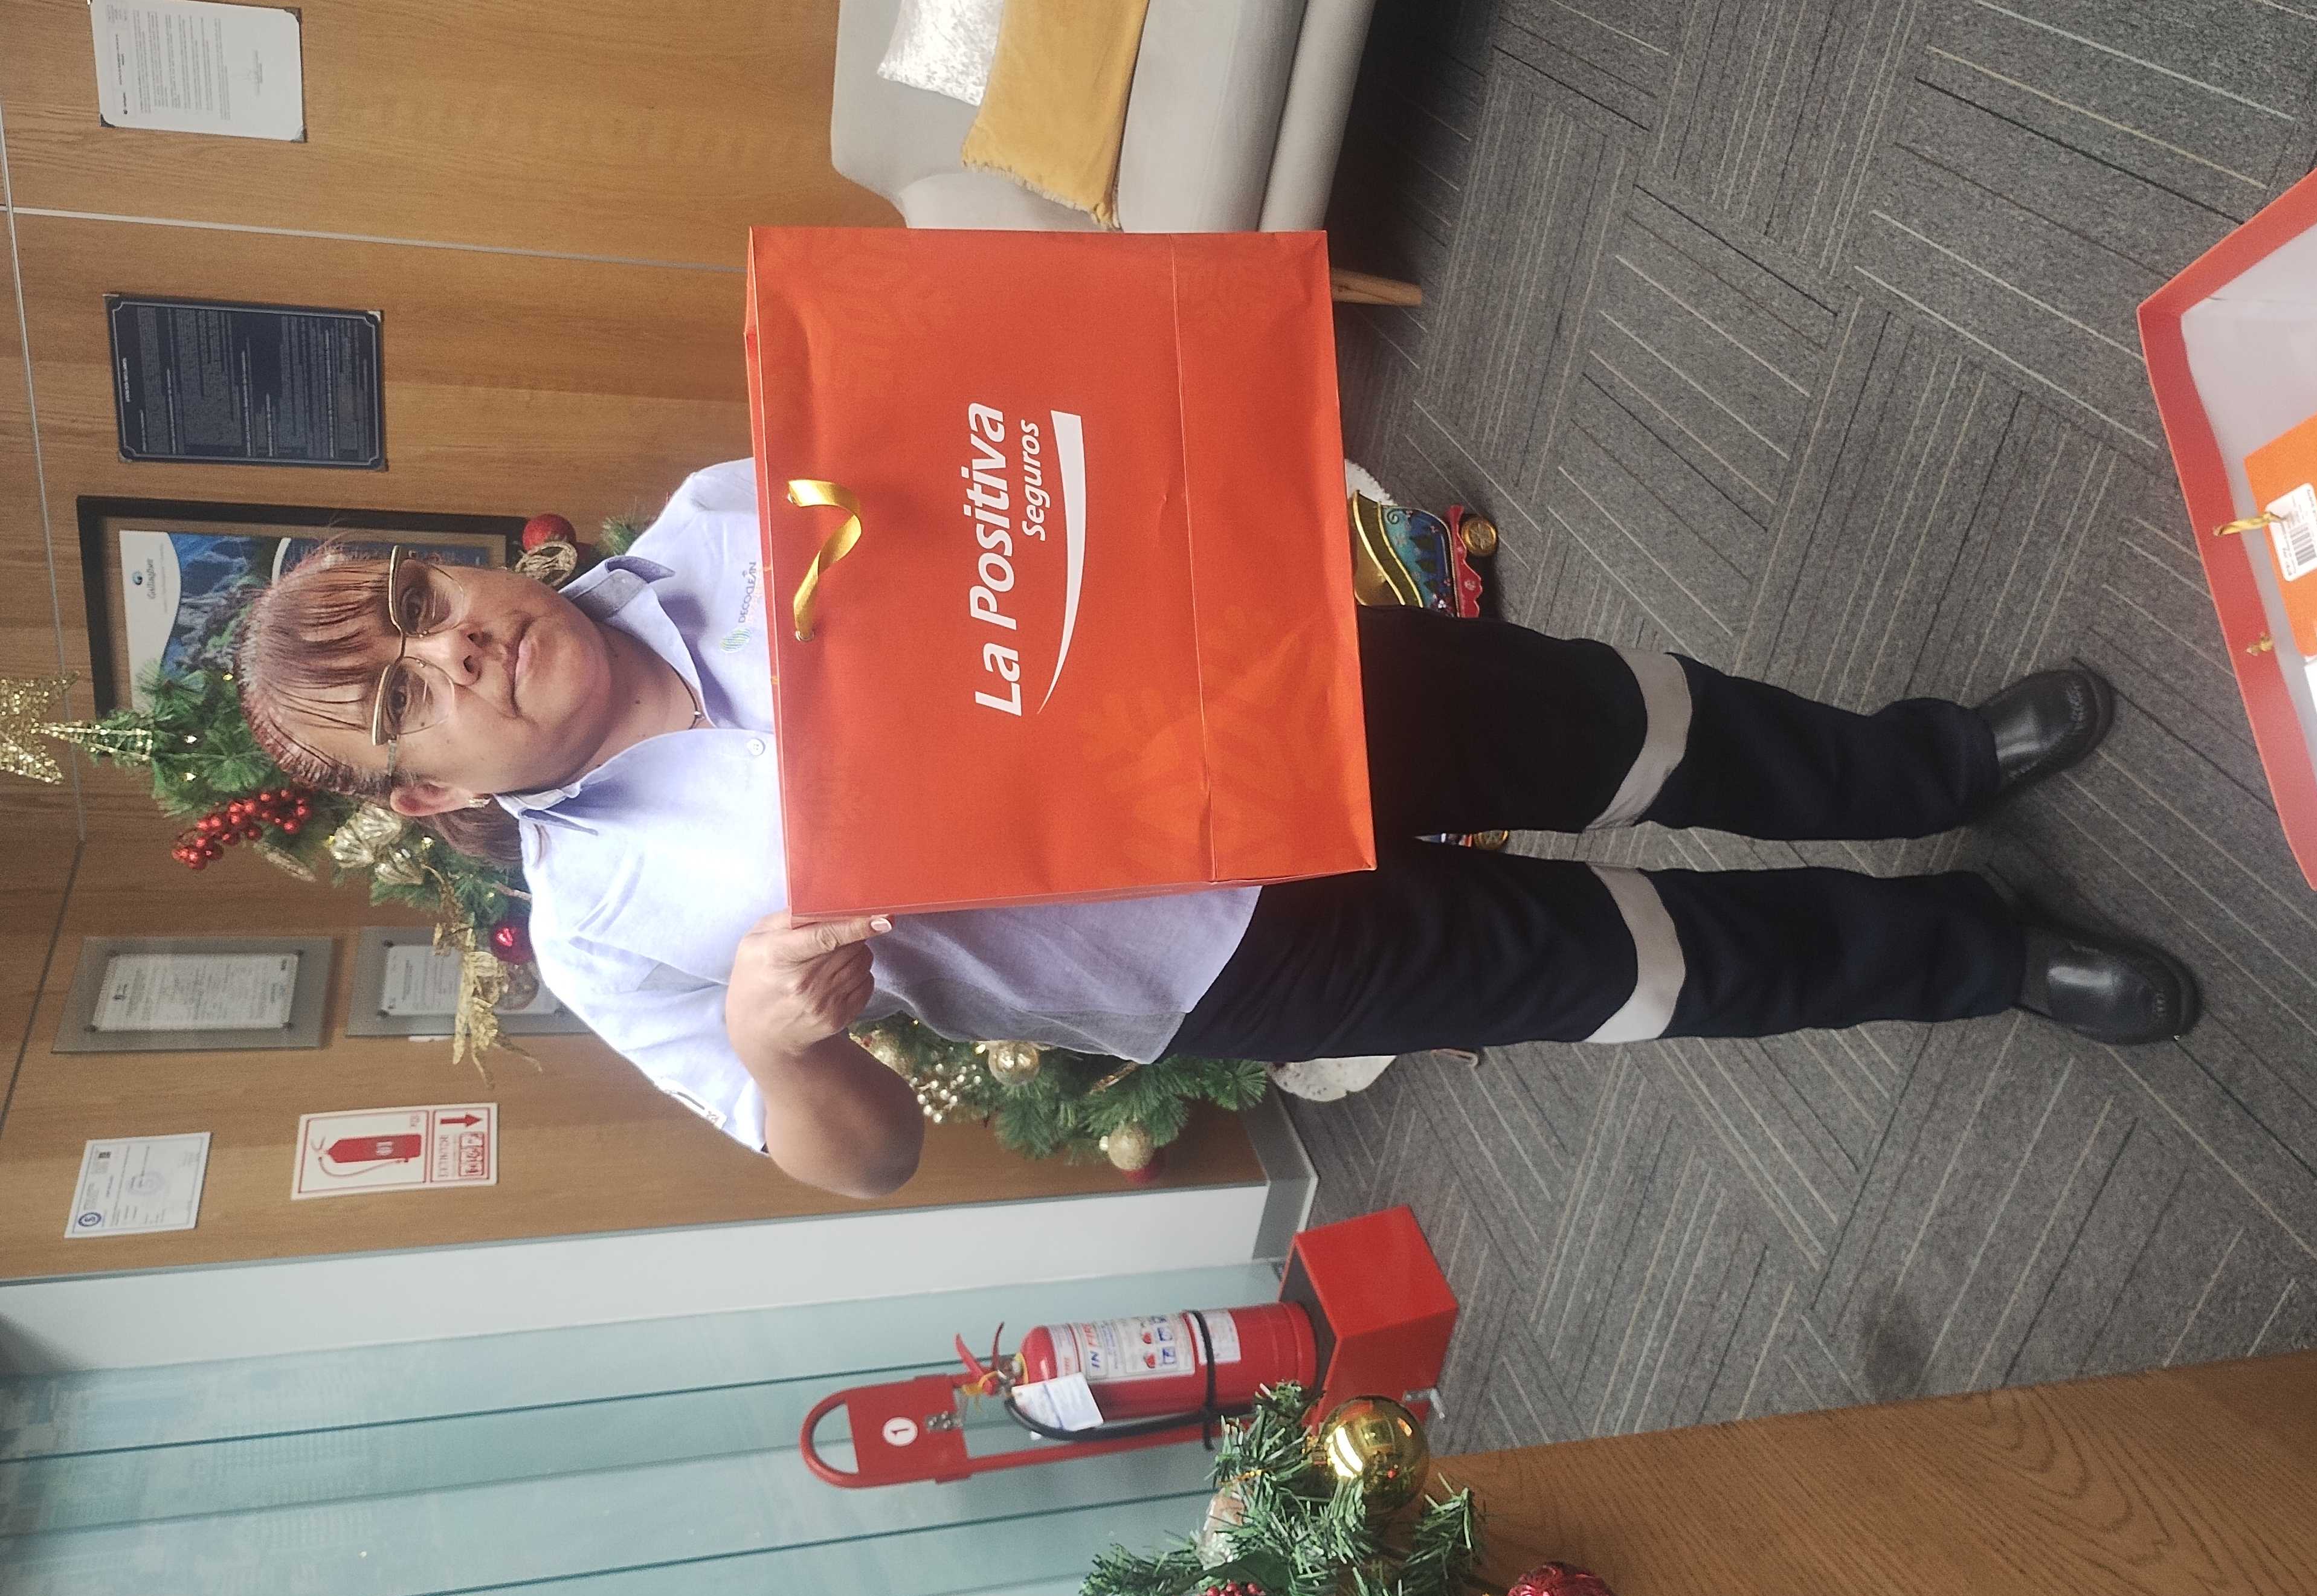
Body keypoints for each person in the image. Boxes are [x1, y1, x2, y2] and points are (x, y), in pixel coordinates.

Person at [234, 461, 2197, 1199]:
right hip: (1209, 954)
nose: (455, 645)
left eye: (418, 601)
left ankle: (1930, 767)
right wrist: (780, 1045)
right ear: (427, 794)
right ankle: (1984, 954)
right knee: (1626, 970)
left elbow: (1017, 483)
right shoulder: (602, 932)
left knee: (1625, 725)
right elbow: (865, 1162)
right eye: (408, 694)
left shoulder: (726, 508)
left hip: (1250, 699)